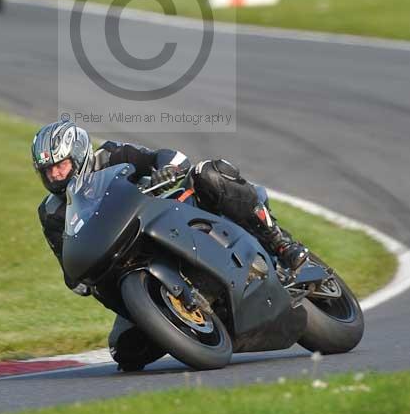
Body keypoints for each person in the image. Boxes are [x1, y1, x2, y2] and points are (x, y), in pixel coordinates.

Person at [32, 121, 309, 370]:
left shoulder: (112, 155)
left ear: (78, 155)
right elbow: (68, 261)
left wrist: (167, 170)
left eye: (60, 165)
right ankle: (175, 321)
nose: (55, 175)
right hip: (124, 259)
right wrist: (80, 276)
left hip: (166, 217)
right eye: (48, 171)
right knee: (125, 352)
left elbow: (169, 157)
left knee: (208, 173)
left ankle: (280, 243)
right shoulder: (52, 212)